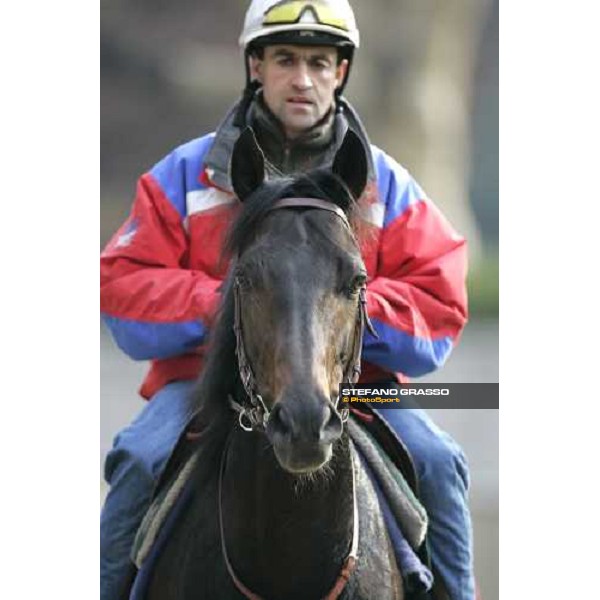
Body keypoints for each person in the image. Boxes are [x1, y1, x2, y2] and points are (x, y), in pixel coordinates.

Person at [100, 1, 473, 598]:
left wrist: (339, 312)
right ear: (255, 66)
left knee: (438, 460)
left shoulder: (387, 183)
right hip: (202, 382)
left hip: (357, 383)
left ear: (341, 73)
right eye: (286, 59)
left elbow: (440, 301)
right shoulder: (184, 174)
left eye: (320, 62)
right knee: (140, 459)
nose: (303, 78)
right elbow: (121, 286)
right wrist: (229, 303)